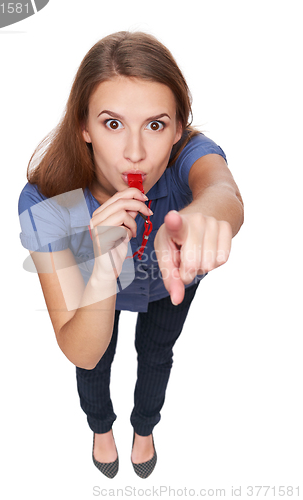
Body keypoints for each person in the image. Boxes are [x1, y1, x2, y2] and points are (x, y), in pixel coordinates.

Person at [18, 31, 244, 479]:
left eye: (156, 125)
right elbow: (79, 350)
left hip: (169, 282)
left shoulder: (187, 156)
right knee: (98, 360)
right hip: (95, 294)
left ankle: (145, 427)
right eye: (113, 123)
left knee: (158, 351)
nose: (136, 153)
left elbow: (221, 188)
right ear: (83, 125)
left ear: (178, 129)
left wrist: (203, 215)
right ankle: (101, 427)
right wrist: (101, 265)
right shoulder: (47, 202)